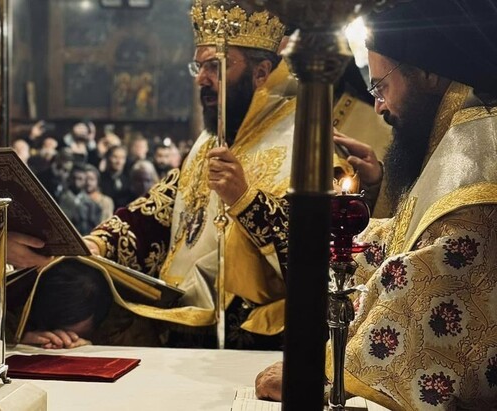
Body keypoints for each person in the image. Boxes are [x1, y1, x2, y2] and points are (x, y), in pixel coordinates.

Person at [255, 0, 497, 408]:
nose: (379, 106)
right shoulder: (459, 139)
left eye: (381, 86)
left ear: (427, 73)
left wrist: (327, 371)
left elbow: (437, 281)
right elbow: (403, 238)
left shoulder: (478, 161)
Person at [80, 0, 299, 349]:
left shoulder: (298, 138)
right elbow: (168, 204)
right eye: (197, 67)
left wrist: (245, 200)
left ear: (261, 72)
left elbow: (314, 250)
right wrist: (100, 243)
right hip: (177, 316)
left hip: (248, 335)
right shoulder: (210, 137)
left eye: (215, 66)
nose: (201, 79)